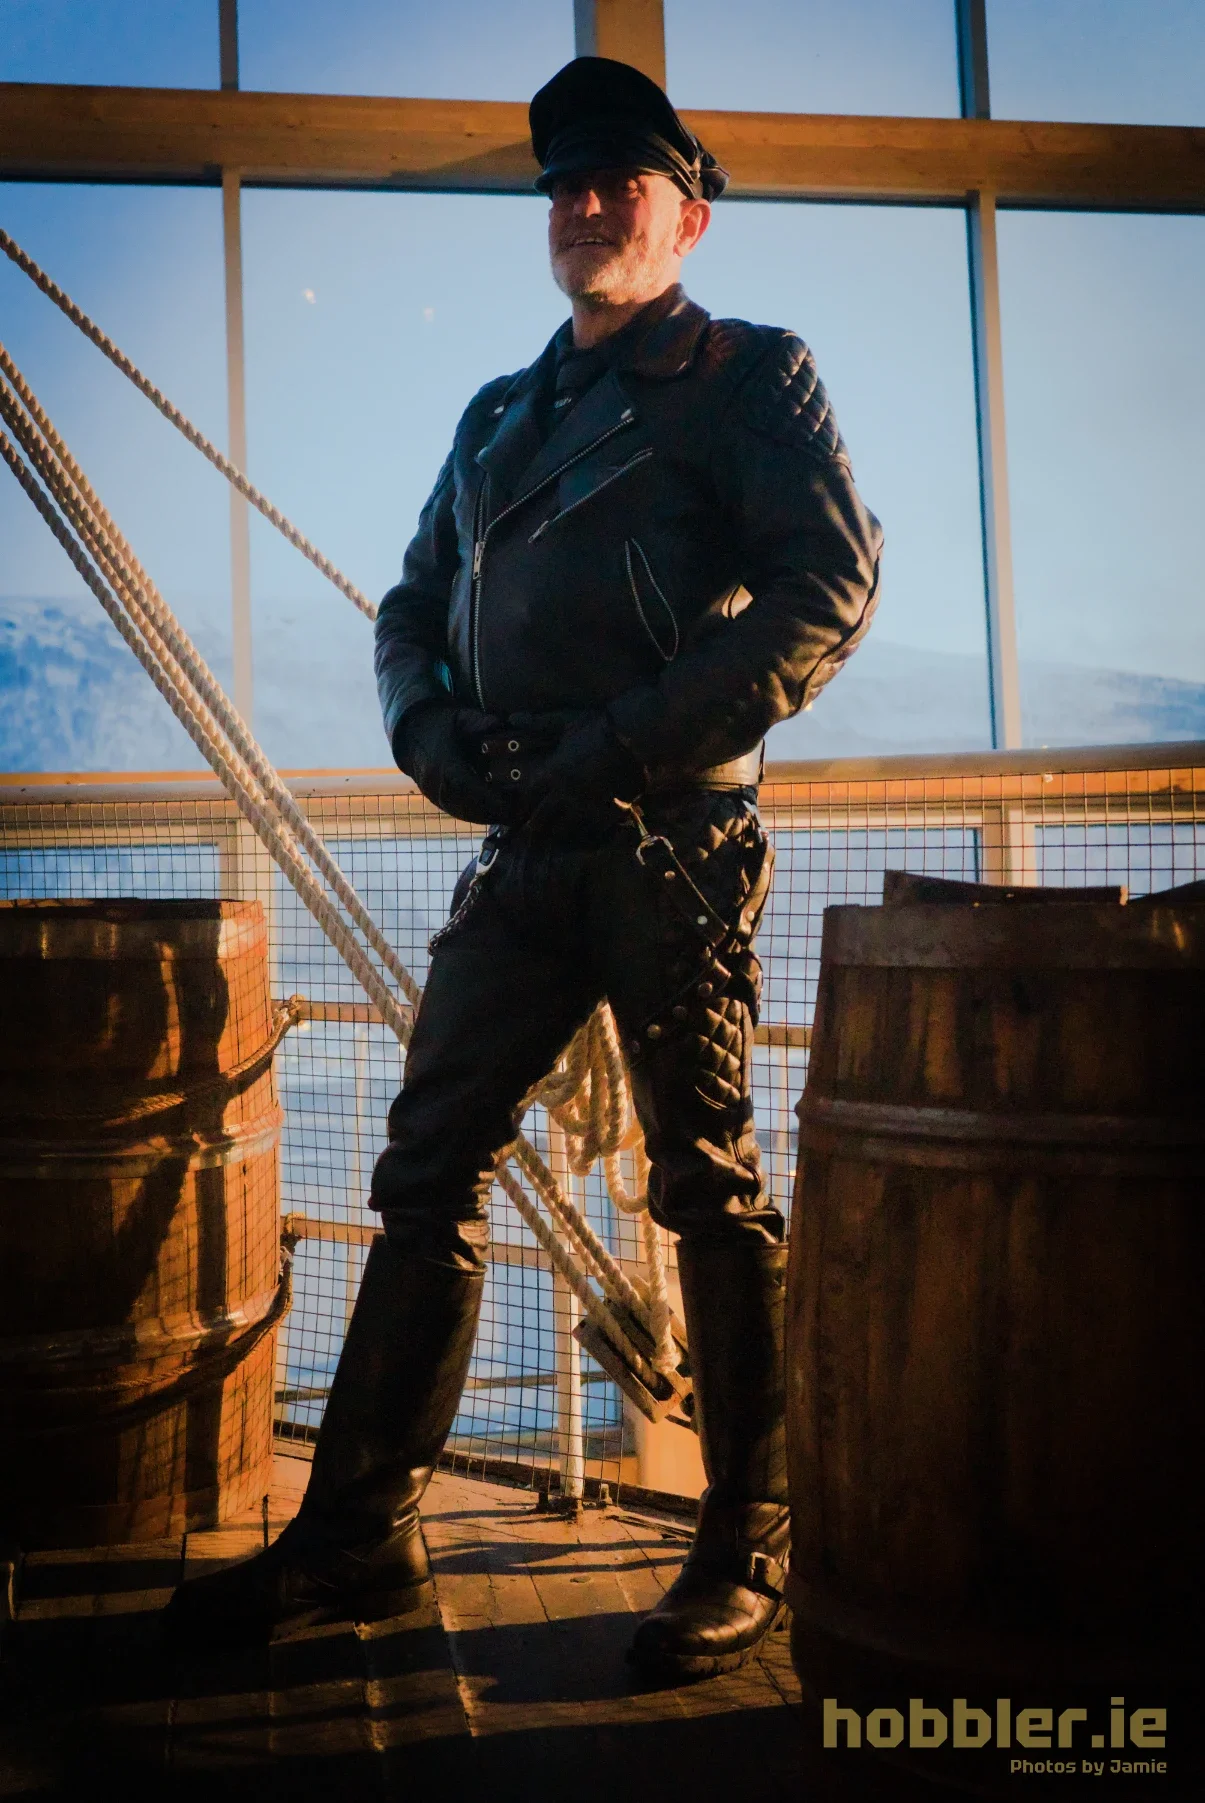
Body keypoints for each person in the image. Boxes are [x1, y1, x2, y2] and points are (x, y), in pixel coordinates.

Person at [164, 55, 882, 1678]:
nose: (581, 205)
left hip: (669, 839)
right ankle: (358, 1543)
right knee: (425, 1167)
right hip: (524, 842)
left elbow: (828, 588)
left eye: (618, 182)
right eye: (563, 183)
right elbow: (409, 609)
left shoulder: (750, 376)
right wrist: (428, 735)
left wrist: (619, 740)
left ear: (688, 219)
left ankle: (748, 1537)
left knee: (706, 1181)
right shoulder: (498, 412)